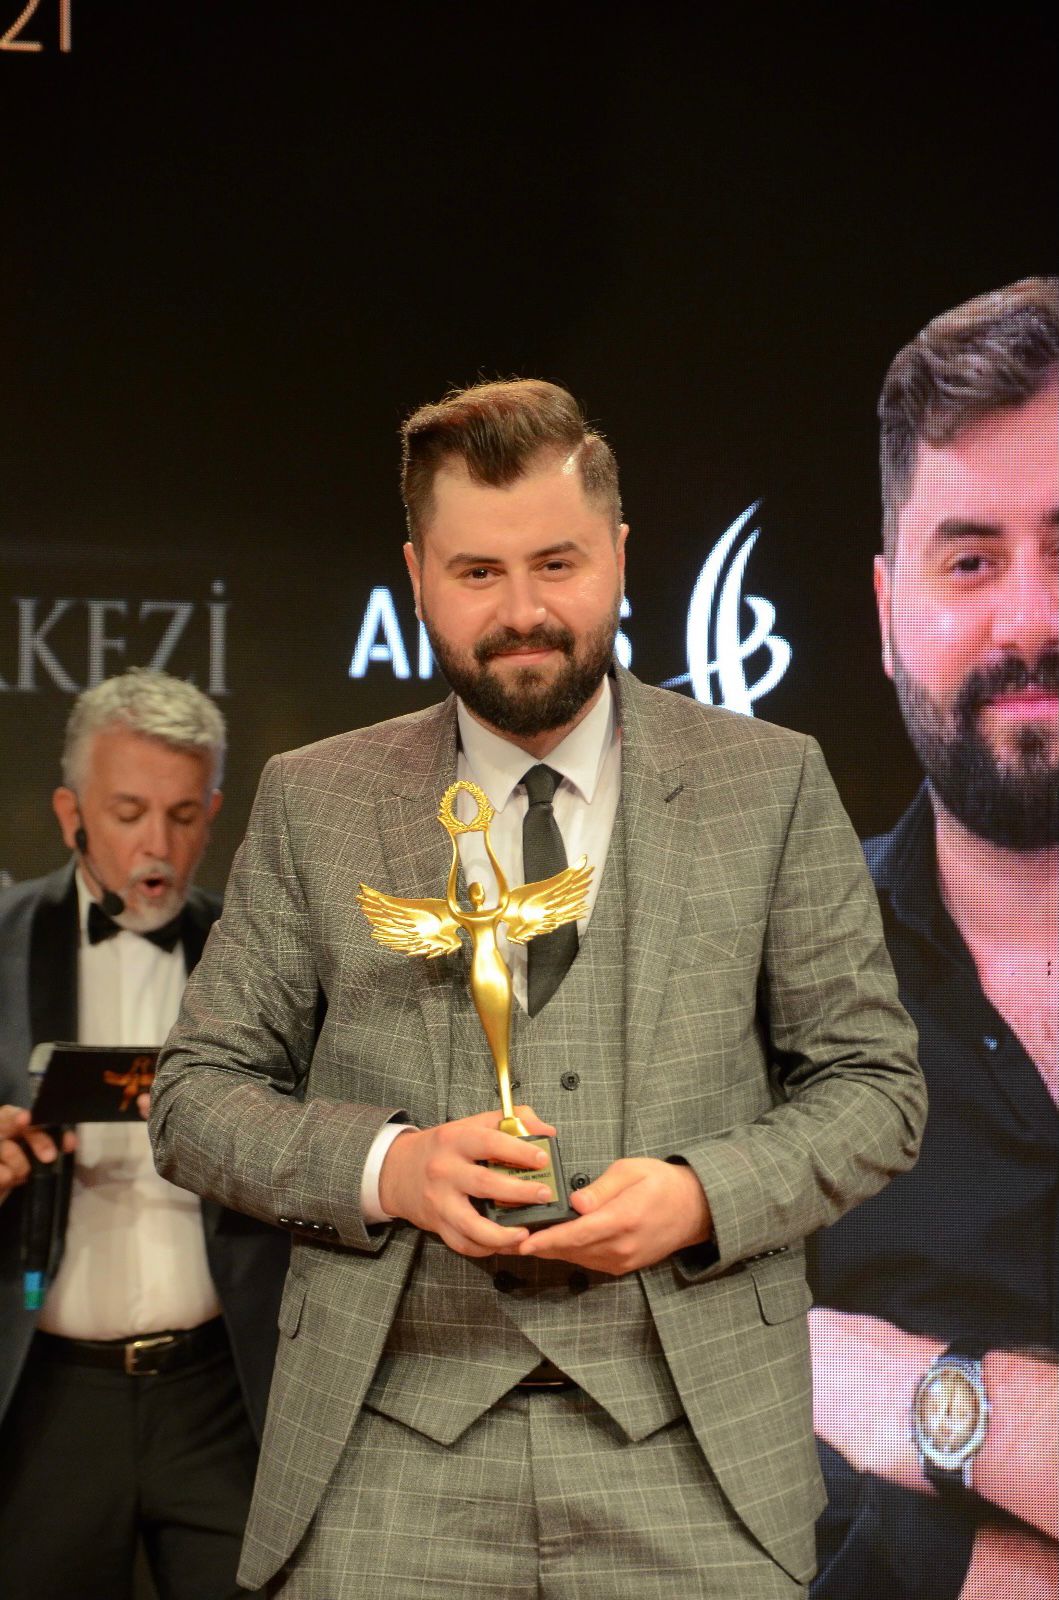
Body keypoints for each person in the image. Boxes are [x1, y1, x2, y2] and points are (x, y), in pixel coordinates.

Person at [150, 378, 926, 1599]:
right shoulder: (315, 799)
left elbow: (876, 1088)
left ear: (618, 553)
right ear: (418, 577)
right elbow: (194, 1098)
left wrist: (700, 1195)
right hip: (384, 1459)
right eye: (478, 572)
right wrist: (391, 1167)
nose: (523, 612)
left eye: (557, 563)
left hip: (697, 1458)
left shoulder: (770, 783)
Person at [809, 279, 1059, 1600]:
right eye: (969, 559)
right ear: (885, 610)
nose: (1028, 620)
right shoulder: (766, 982)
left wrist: (921, 1399)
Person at [0, 669, 289, 1600]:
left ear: (214, 815)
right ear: (71, 813)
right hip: (40, 1398)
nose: (156, 846)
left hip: (222, 1393)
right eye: (127, 813)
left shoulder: (264, 954)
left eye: (182, 814)